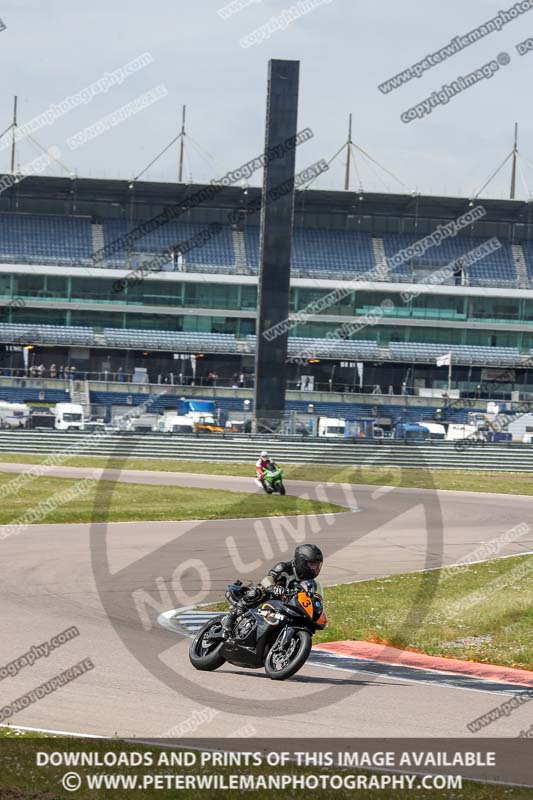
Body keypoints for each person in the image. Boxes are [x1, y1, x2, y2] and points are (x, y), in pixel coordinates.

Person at [220, 544, 324, 639]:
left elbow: (310, 597)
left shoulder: (309, 582)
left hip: (286, 606)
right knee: (258, 591)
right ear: (301, 561)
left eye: (317, 565)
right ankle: (231, 617)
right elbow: (267, 579)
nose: (315, 568)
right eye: (312, 564)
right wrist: (273, 587)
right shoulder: (284, 567)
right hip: (270, 598)